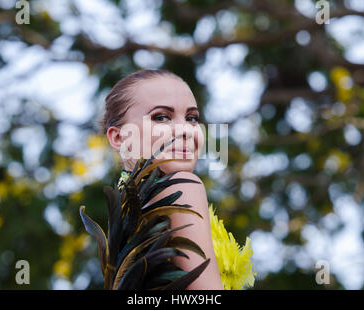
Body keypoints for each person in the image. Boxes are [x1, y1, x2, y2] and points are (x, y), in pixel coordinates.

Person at [102, 69, 255, 290]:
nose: (185, 130)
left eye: (192, 118)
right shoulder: (182, 186)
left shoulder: (126, 211)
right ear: (119, 137)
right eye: (161, 117)